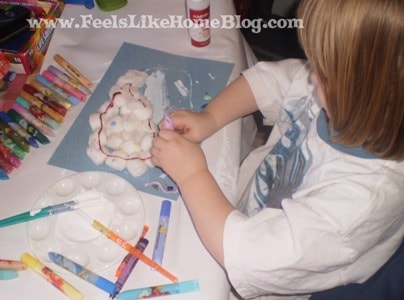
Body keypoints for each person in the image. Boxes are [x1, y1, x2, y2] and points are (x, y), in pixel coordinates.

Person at [151, 0, 404, 298]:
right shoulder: (344, 98)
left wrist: (192, 174)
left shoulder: (356, 206)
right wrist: (211, 118)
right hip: (244, 213)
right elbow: (272, 80)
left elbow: (249, 256)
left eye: (323, 70)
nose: (311, 75)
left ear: (369, 91)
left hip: (265, 280)